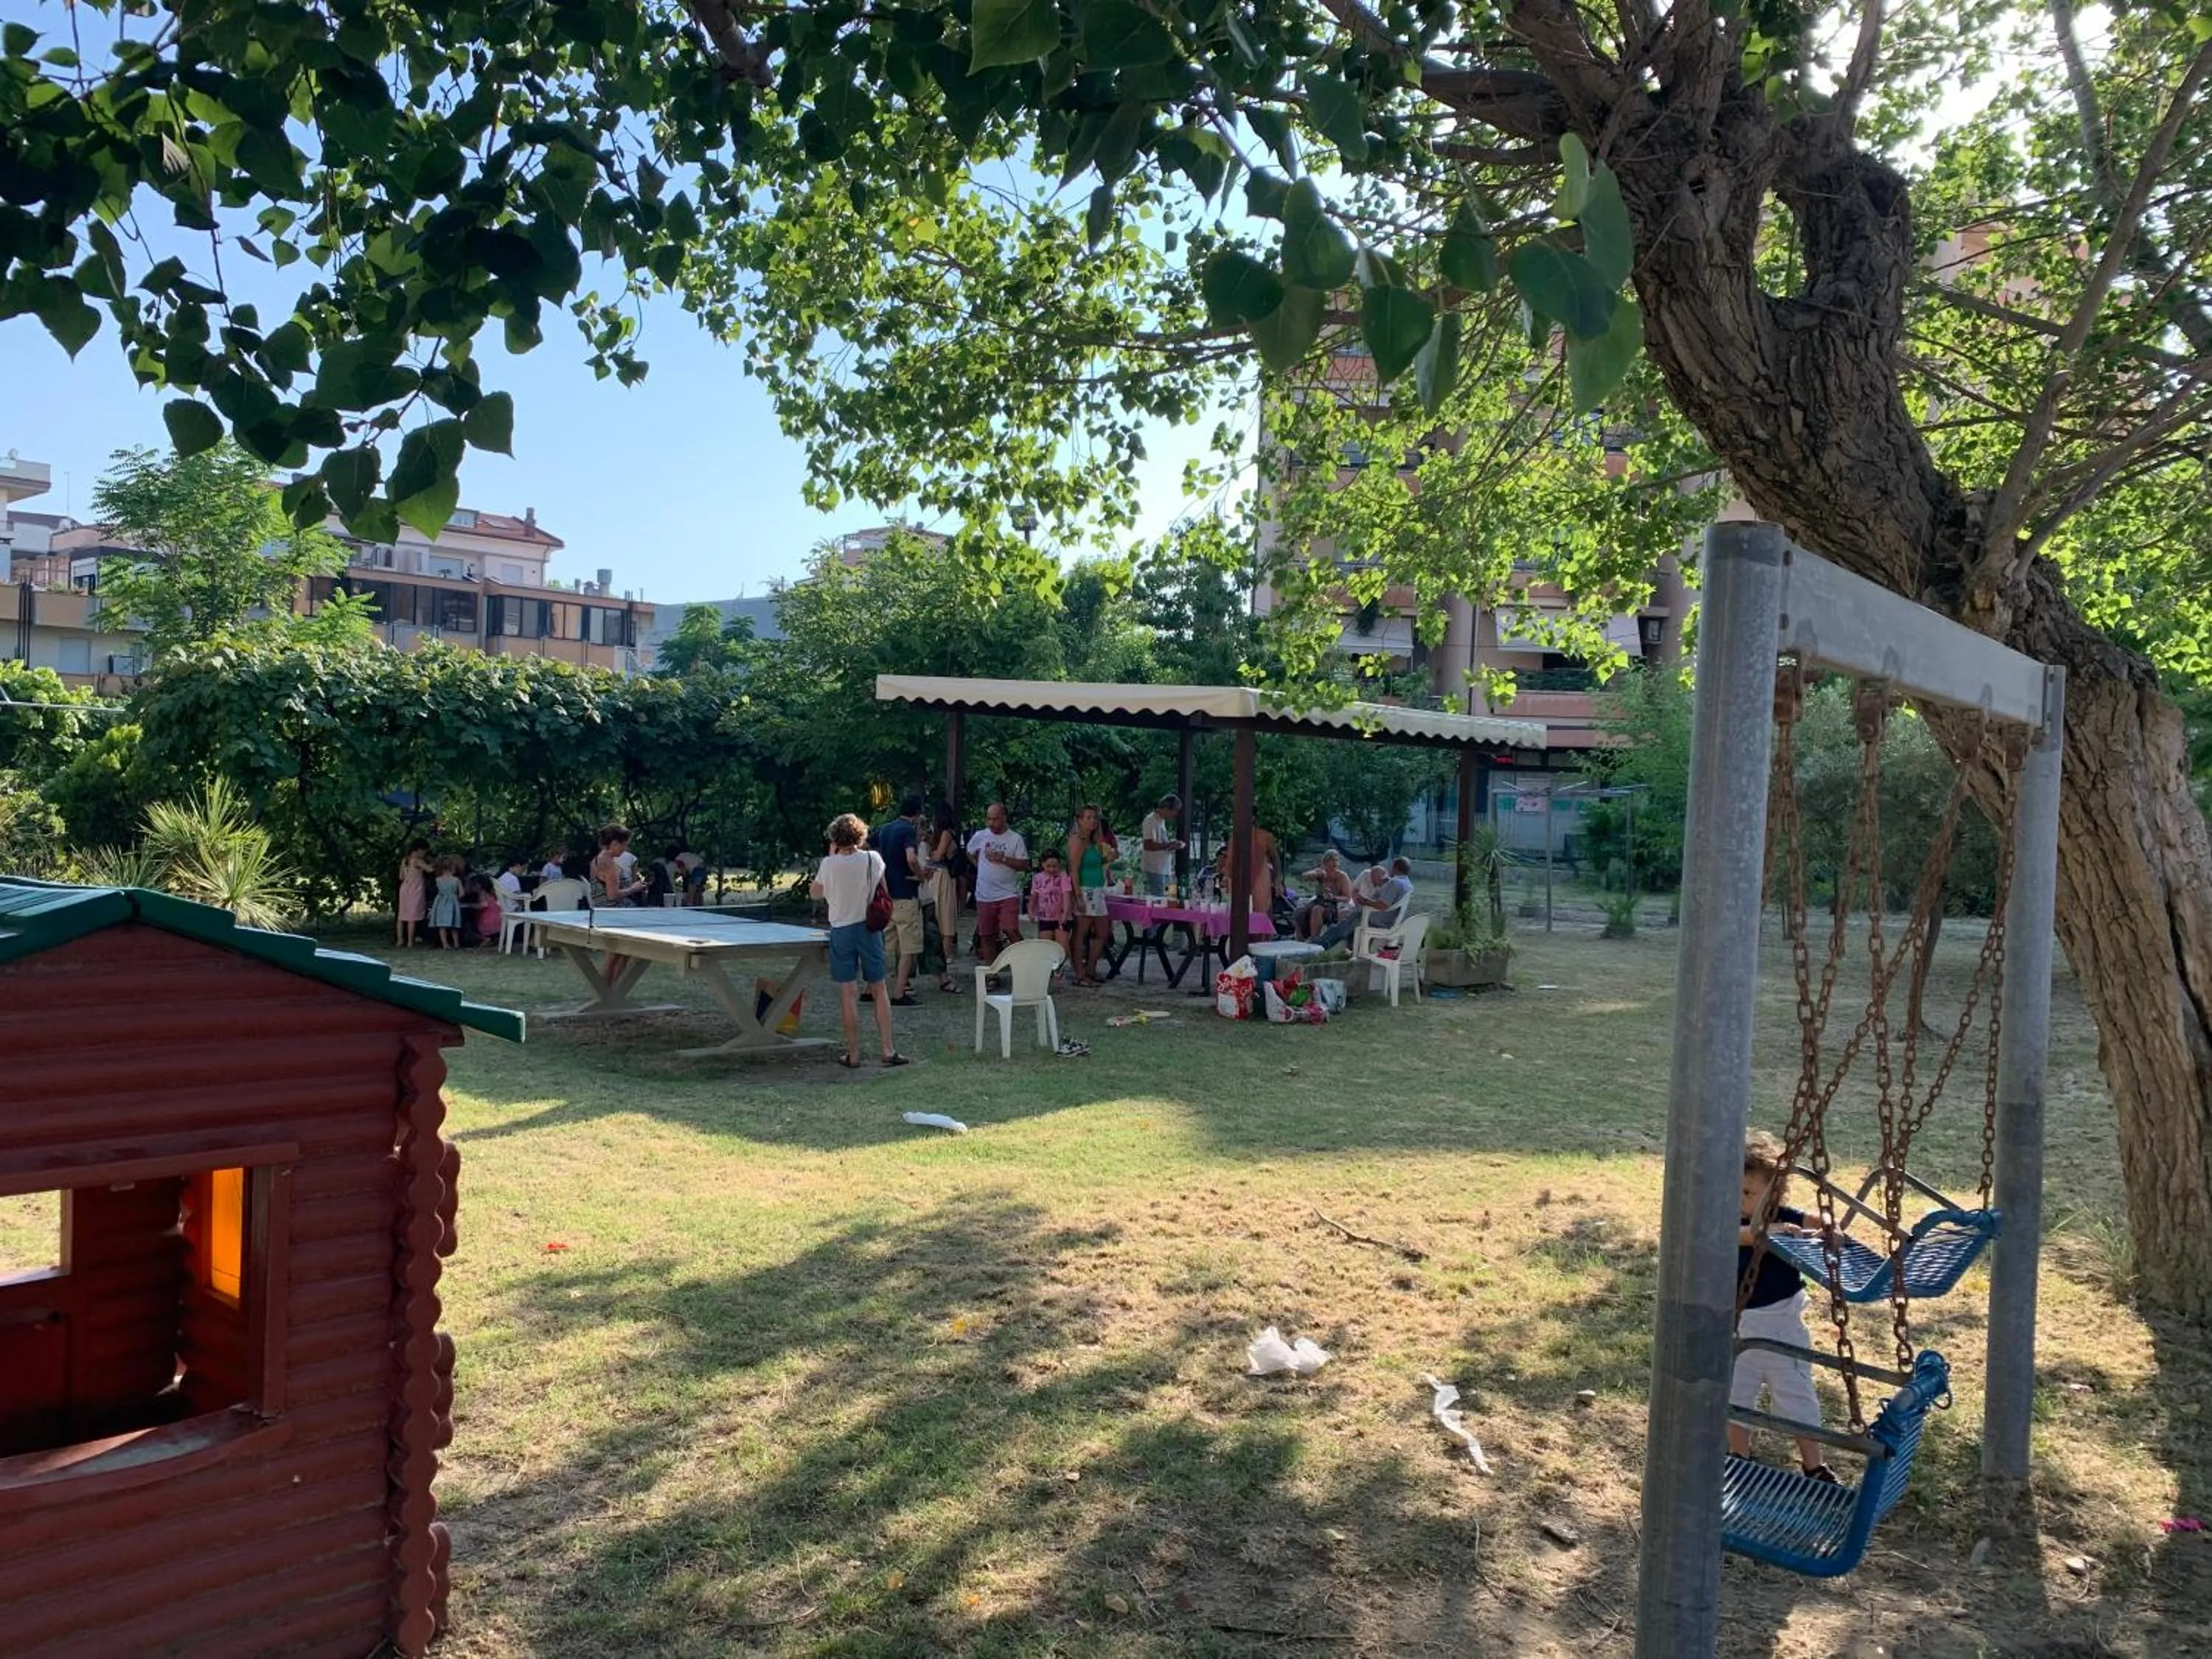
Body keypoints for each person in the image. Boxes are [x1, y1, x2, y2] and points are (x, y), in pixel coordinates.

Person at [1732, 1130, 1840, 1482]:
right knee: (1735, 1399)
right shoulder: (1733, 1223)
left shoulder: (1784, 1215)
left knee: (1797, 1398)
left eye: (1747, 1193)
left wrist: (1827, 1227)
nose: (1738, 1200)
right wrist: (1780, 1231)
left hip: (1783, 1328)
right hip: (1737, 1327)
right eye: (1732, 1190)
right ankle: (1738, 1456)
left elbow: (1814, 1220)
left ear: (1773, 1193)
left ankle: (1814, 1464)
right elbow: (1749, 1236)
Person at [809, 812, 908, 1069]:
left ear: (834, 838)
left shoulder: (829, 864)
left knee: (848, 992)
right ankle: (888, 1049)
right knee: (879, 988)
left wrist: (831, 861)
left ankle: (853, 1054)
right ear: (860, 835)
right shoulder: (872, 859)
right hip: (869, 927)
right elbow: (883, 888)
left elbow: (815, 894)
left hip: (841, 929)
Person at [876, 795, 926, 1005]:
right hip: (906, 893)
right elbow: (911, 858)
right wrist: (920, 874)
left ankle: (872, 988)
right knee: (908, 947)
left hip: (887, 894)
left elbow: (871, 849)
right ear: (916, 815)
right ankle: (899, 991)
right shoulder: (908, 831)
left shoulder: (885, 829)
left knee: (885, 945)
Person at [966, 802, 1029, 964]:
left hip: (1007, 893)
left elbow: (1024, 865)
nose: (991, 823)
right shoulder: (981, 835)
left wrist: (1003, 859)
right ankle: (992, 972)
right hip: (985, 894)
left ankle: (1028, 961)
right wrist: (979, 865)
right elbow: (969, 851)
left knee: (1010, 929)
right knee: (987, 934)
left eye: (995, 819)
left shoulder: (1015, 838)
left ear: (1004, 818)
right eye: (989, 819)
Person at [1315, 860, 1413, 950]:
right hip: (1389, 920)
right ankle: (1351, 951)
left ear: (1395, 868)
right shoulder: (1408, 884)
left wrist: (1364, 901)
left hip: (1376, 918)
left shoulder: (1395, 883)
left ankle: (1317, 946)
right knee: (1350, 926)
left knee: (1340, 928)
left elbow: (1383, 905)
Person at [1067, 803, 1113, 986]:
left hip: (1098, 889)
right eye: (1088, 817)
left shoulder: (1095, 841)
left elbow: (1101, 861)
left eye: (1094, 818)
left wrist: (1109, 857)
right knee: (1081, 932)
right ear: (1080, 820)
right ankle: (1080, 973)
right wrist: (1078, 896)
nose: (1092, 821)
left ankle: (1091, 968)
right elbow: (1073, 869)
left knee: (1103, 931)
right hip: (1085, 889)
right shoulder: (1077, 840)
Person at [923, 801, 965, 992]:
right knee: (936, 918)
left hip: (943, 877)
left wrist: (929, 850)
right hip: (936, 877)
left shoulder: (947, 834)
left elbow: (938, 856)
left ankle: (946, 958)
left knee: (945, 920)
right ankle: (939, 960)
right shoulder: (940, 834)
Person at [1296, 850, 1356, 939]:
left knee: (1317, 910)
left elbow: (1347, 898)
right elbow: (1305, 876)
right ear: (1325, 862)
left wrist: (1333, 897)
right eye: (1331, 860)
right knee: (1299, 911)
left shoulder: (1342, 876)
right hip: (1319, 901)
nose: (1334, 863)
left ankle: (1314, 939)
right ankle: (1300, 940)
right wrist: (1316, 873)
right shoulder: (1321, 873)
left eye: (1336, 860)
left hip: (1335, 904)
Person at [1029, 848, 1074, 954]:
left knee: (1062, 948)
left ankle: (1059, 969)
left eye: (1055, 866)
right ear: (1043, 865)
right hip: (1045, 917)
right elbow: (1034, 896)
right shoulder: (1038, 878)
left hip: (1060, 918)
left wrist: (1066, 913)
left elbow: (1066, 895)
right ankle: (1048, 970)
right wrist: (1031, 911)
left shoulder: (1063, 877)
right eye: (1049, 866)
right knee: (1046, 948)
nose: (1052, 869)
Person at [1139, 794, 1185, 898]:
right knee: (1156, 900)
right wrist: (1168, 845)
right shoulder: (1150, 820)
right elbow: (1148, 844)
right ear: (1166, 808)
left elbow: (1160, 842)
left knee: (1167, 897)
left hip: (1163, 869)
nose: (1175, 814)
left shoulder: (1161, 821)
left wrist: (1171, 844)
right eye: (1174, 811)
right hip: (1154, 869)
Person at [591, 824, 648, 906]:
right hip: (613, 911)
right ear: (615, 843)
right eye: (624, 845)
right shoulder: (608, 863)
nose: (625, 849)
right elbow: (613, 895)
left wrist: (631, 886)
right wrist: (633, 889)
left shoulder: (596, 859)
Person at [395, 840, 432, 948]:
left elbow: (401, 877)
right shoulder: (417, 860)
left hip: (404, 889)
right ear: (419, 850)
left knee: (401, 916)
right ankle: (410, 942)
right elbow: (430, 870)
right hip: (415, 890)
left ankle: (400, 940)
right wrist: (433, 862)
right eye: (424, 851)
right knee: (412, 917)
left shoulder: (405, 860)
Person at [429, 855, 465, 950]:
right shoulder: (456, 880)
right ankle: (456, 943)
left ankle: (445, 944)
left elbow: (436, 891)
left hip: (441, 902)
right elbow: (462, 894)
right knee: (454, 924)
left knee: (442, 925)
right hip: (453, 903)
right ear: (453, 867)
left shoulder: (438, 880)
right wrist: (455, 896)